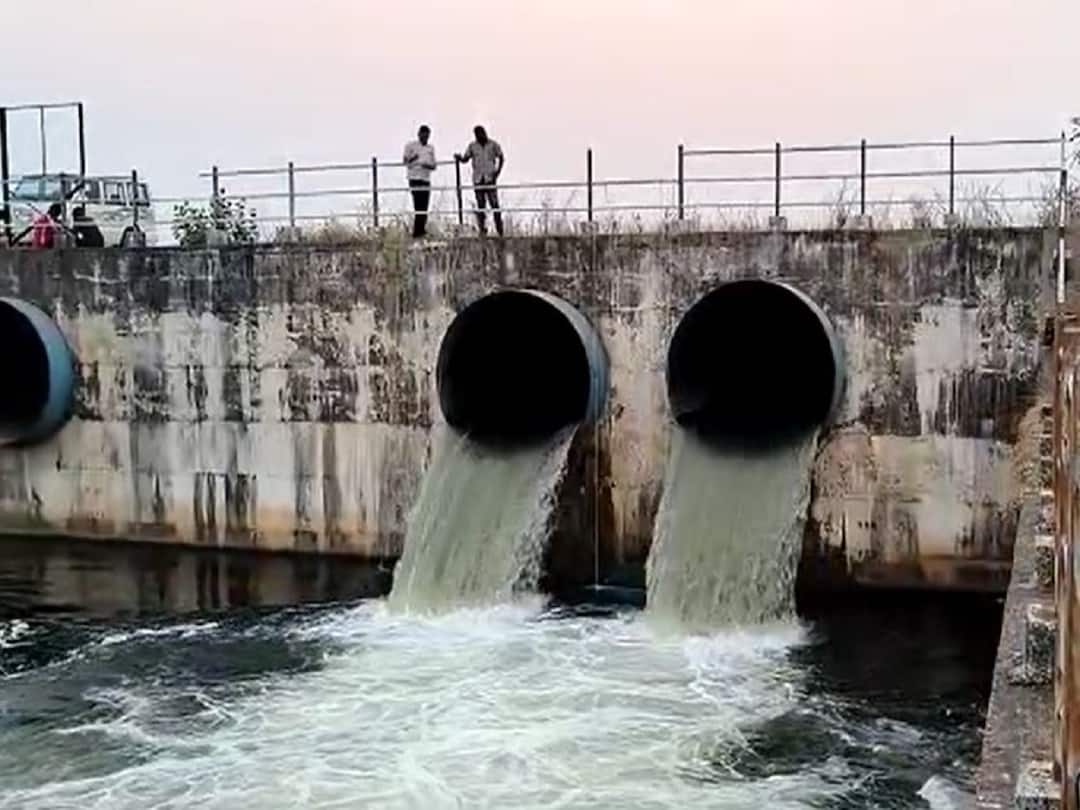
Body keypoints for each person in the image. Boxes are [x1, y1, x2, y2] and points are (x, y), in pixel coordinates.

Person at [455, 125, 505, 237]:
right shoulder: (472, 146)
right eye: (477, 135)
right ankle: (482, 230)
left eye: (481, 134)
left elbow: (501, 157)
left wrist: (497, 172)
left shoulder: (493, 144)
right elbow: (465, 159)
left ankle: (500, 230)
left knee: (495, 205)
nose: (480, 136)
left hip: (490, 179)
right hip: (478, 179)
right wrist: (459, 158)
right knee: (480, 206)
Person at [403, 124, 437, 238]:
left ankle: (421, 230)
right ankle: (417, 232)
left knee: (424, 206)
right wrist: (415, 158)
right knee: (418, 205)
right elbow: (405, 161)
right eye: (423, 135)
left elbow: (434, 165)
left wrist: (427, 165)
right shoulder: (410, 146)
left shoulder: (430, 148)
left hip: (425, 178)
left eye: (427, 136)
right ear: (419, 134)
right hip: (414, 178)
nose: (425, 138)